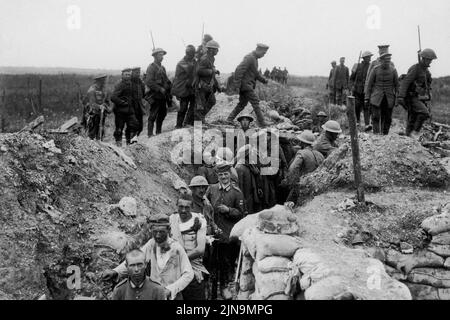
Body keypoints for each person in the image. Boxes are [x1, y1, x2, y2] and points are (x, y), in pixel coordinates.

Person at [102, 213, 194, 300]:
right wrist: (115, 271)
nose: (157, 235)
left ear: (169, 230)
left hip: (172, 297)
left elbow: (189, 274)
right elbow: (135, 260)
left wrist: (170, 289)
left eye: (161, 232)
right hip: (154, 294)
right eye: (155, 232)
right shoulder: (151, 244)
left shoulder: (177, 248)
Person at [206, 163, 246, 299]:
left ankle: (226, 296)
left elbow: (241, 214)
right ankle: (212, 295)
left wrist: (229, 210)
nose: (223, 177)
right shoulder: (211, 189)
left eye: (225, 174)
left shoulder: (237, 192)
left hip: (228, 237)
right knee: (212, 267)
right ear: (217, 176)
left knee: (226, 267)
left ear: (230, 175)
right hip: (212, 236)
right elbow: (205, 206)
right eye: (221, 174)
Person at [170, 194, 209, 300]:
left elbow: (200, 249)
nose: (183, 210)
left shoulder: (199, 220)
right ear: (176, 205)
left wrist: (180, 261)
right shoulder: (172, 220)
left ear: (191, 207)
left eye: (186, 207)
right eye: (180, 207)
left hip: (193, 266)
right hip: (173, 267)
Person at [226, 44, 270, 127]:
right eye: (263, 53)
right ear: (258, 49)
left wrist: (264, 80)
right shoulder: (249, 57)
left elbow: (256, 73)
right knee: (255, 101)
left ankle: (229, 119)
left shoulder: (254, 59)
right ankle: (262, 122)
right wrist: (237, 85)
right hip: (246, 86)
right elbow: (239, 70)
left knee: (242, 104)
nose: (263, 55)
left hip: (247, 85)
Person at [398, 48, 437, 139]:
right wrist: (401, 96)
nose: (430, 62)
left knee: (413, 116)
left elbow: (427, 84)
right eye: (428, 60)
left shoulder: (426, 71)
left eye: (431, 60)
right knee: (424, 113)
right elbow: (406, 82)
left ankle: (408, 136)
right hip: (410, 96)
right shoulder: (415, 68)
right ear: (423, 59)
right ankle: (415, 133)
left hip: (418, 96)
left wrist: (428, 92)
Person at [281, 131, 324, 201]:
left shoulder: (301, 153)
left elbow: (292, 168)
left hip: (303, 185)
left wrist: (289, 181)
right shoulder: (320, 154)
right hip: (317, 185)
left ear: (302, 142)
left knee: (289, 203)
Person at [365, 52, 399, 135]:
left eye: (388, 61)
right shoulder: (375, 69)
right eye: (385, 61)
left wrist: (397, 99)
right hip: (376, 97)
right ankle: (376, 133)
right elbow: (369, 85)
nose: (387, 63)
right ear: (381, 61)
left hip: (389, 97)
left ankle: (385, 134)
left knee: (387, 118)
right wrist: (366, 97)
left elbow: (397, 86)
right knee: (375, 116)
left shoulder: (393, 70)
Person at [145, 48, 172, 136]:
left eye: (162, 55)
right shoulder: (151, 67)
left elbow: (166, 79)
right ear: (155, 56)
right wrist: (159, 88)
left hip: (163, 96)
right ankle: (149, 134)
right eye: (160, 55)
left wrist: (170, 86)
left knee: (163, 113)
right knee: (153, 115)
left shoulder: (162, 67)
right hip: (155, 95)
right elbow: (149, 81)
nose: (162, 57)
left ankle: (158, 132)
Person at [111, 69, 140, 146]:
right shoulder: (120, 84)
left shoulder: (131, 84)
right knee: (119, 128)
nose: (128, 76)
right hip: (120, 111)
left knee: (134, 125)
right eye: (126, 74)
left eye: (129, 75)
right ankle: (118, 144)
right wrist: (122, 103)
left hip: (130, 110)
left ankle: (130, 142)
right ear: (122, 75)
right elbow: (113, 97)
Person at [194, 40, 221, 123]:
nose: (217, 51)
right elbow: (199, 71)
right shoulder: (204, 59)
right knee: (200, 106)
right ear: (211, 50)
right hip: (201, 86)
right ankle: (198, 124)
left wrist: (216, 85)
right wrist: (212, 71)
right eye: (216, 49)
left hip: (208, 85)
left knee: (212, 101)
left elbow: (210, 72)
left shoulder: (211, 58)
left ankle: (200, 118)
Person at [235, 144, 263, 215]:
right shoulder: (240, 168)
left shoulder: (250, 165)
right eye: (252, 152)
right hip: (246, 201)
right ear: (247, 155)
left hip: (252, 198)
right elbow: (239, 188)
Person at [172, 45, 197, 128]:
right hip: (184, 89)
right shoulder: (181, 63)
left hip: (192, 88)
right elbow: (188, 71)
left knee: (193, 106)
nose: (193, 55)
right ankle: (178, 125)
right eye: (191, 54)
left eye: (193, 54)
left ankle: (187, 122)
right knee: (183, 108)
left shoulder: (193, 61)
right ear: (187, 53)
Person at [350, 51, 373, 131]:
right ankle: (357, 121)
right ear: (364, 58)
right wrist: (352, 86)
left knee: (366, 106)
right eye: (368, 57)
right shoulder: (357, 66)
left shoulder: (371, 67)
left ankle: (367, 124)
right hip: (357, 90)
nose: (370, 59)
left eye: (370, 57)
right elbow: (352, 78)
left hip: (366, 90)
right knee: (357, 106)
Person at [84, 75, 111, 140]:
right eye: (104, 80)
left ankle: (100, 143)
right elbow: (92, 104)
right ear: (99, 81)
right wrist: (99, 106)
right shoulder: (92, 90)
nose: (105, 82)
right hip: (93, 114)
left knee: (101, 130)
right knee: (93, 131)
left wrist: (107, 107)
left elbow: (106, 101)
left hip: (102, 113)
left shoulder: (103, 89)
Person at [131, 67, 146, 142]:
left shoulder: (140, 82)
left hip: (139, 106)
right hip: (131, 107)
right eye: (136, 73)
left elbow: (144, 94)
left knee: (140, 127)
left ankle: (134, 138)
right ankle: (131, 141)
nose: (138, 74)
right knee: (133, 125)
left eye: (139, 73)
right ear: (132, 73)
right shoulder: (129, 82)